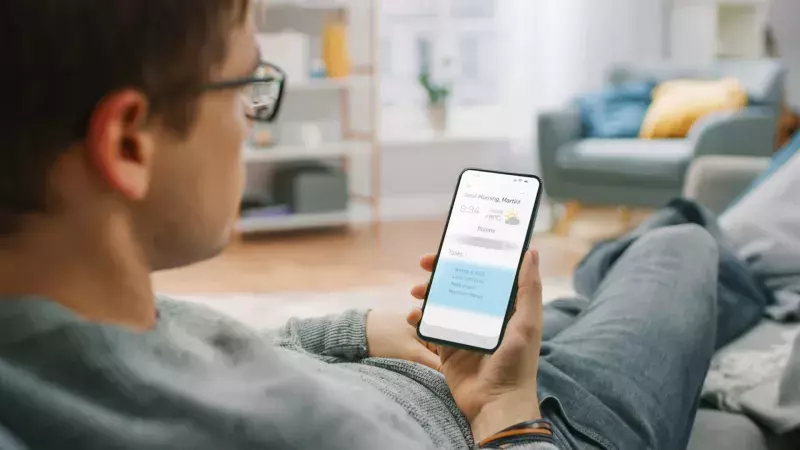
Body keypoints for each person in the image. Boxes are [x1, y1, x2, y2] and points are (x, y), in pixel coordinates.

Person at [0, 1, 728, 449]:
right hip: (529, 422)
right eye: (248, 86)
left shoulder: (60, 323)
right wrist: (509, 411)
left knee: (557, 308)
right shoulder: (277, 433)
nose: (252, 124)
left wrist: (360, 329)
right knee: (683, 241)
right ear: (130, 143)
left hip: (425, 372)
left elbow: (213, 349)